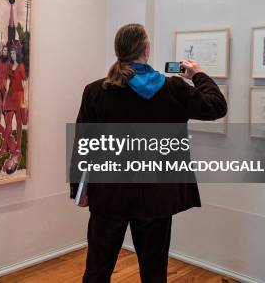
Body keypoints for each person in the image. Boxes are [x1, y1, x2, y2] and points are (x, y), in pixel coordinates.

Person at [71, 23, 227, 283]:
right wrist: (197, 74)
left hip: (109, 194)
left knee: (98, 268)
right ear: (146, 49)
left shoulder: (97, 91)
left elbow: (83, 144)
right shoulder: (173, 89)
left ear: (118, 51)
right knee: (154, 272)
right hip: (157, 196)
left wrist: (79, 189)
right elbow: (216, 106)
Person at [1, 47, 26, 174]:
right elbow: (9, 83)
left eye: (14, 53)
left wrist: (24, 101)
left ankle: (19, 148)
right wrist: (5, 98)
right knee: (8, 123)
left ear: (18, 54)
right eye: (11, 53)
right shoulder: (10, 66)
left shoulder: (21, 67)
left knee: (19, 124)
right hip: (11, 96)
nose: (12, 55)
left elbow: (24, 84)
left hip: (19, 96)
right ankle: (4, 147)